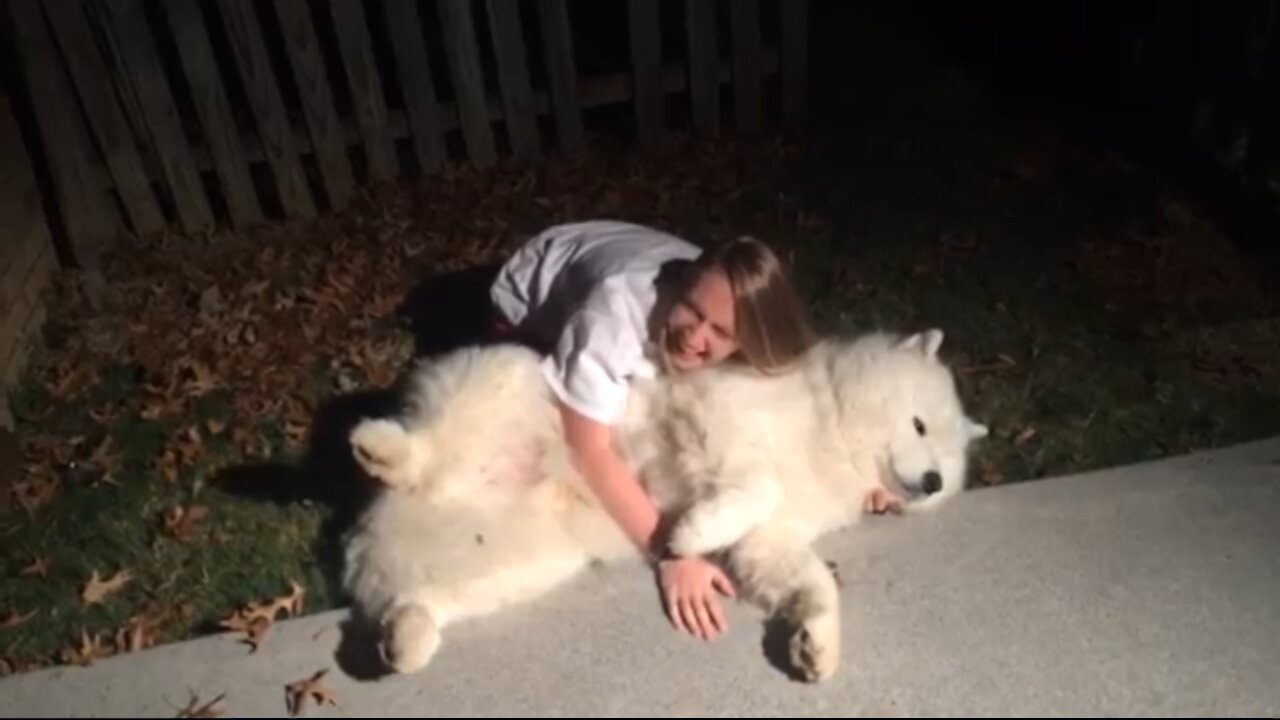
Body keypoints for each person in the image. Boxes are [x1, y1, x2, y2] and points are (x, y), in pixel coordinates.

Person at [488, 219, 819, 641]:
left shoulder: (729, 305)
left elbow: (797, 388)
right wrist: (672, 552)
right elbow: (587, 450)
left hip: (611, 252)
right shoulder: (614, 316)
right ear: (685, 284)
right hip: (527, 305)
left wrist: (871, 478)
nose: (695, 335)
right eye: (693, 310)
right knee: (547, 432)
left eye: (720, 331)